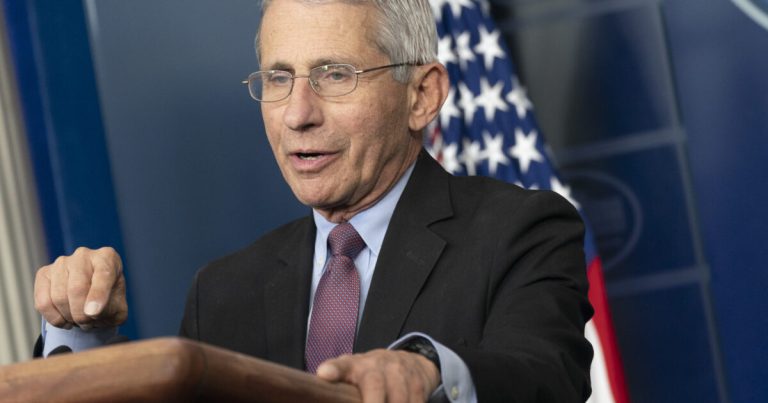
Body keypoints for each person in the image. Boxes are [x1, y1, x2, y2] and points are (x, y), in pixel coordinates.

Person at [33, 0, 593, 402]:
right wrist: (81, 337)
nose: (298, 114)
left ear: (422, 95)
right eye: (279, 79)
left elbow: (545, 375)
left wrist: (426, 371)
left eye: (334, 74)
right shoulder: (222, 292)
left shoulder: (521, 231)